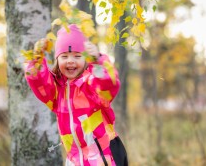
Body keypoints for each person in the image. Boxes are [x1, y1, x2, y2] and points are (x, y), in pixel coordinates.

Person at [24, 24, 128, 166]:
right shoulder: (57, 91)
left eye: (77, 56)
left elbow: (109, 82)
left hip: (103, 157)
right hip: (75, 159)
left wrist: (98, 61)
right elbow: (39, 83)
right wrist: (36, 61)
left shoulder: (90, 84)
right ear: (57, 60)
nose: (70, 61)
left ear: (85, 59)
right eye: (64, 56)